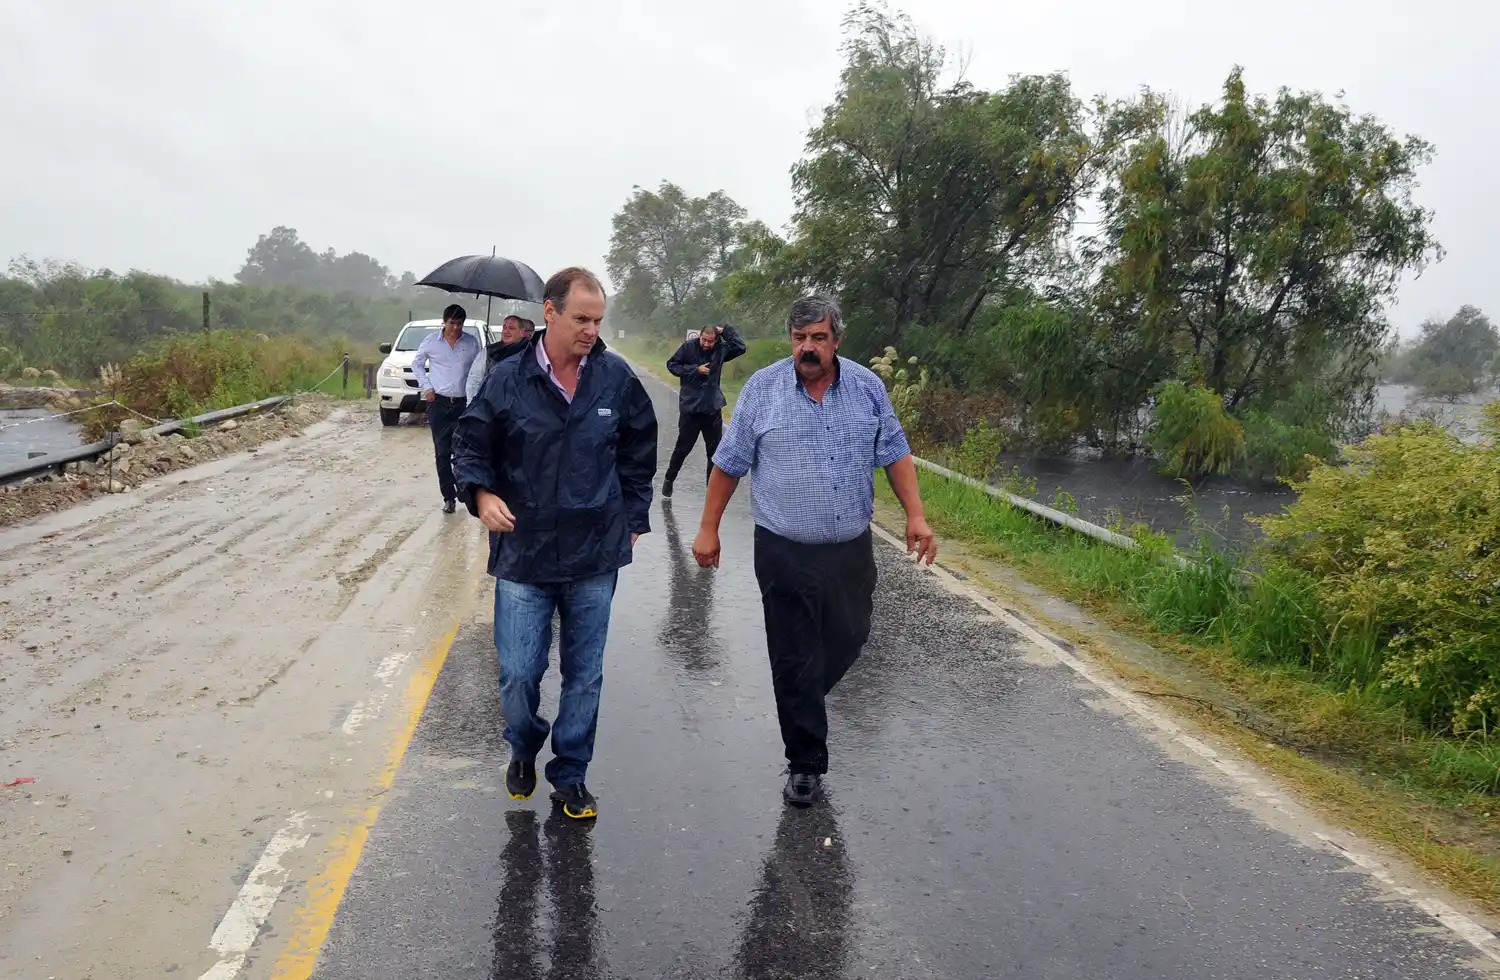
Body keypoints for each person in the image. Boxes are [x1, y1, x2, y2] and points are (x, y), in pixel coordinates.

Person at [692, 294, 938, 806]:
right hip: (783, 549)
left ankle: (801, 696)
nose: (808, 348)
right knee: (794, 653)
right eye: (799, 338)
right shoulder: (763, 389)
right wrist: (708, 529)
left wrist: (916, 515)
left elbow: (895, 452)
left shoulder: (868, 388)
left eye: (818, 339)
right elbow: (729, 463)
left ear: (837, 340)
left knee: (851, 635)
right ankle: (805, 763)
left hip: (850, 548)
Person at [453, 267, 657, 820]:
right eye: (581, 319)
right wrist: (480, 494)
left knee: (584, 672)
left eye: (598, 320)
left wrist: (634, 513)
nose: (592, 330)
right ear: (550, 311)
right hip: (525, 550)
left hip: (595, 551)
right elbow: (470, 441)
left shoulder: (615, 379)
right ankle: (523, 745)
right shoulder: (508, 378)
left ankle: (570, 776)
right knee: (519, 671)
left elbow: (640, 450)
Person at [411, 303, 482, 514]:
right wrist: (427, 386)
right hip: (439, 403)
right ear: (444, 322)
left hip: (463, 404)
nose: (455, 328)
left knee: (461, 450)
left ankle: (463, 486)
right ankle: (448, 496)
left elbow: (478, 370)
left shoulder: (471, 343)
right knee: (442, 452)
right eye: (452, 323)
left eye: (459, 323)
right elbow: (417, 363)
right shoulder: (431, 341)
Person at [662, 322, 746, 497]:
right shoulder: (687, 347)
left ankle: (711, 492)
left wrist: (726, 331)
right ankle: (669, 479)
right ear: (699, 336)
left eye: (711, 341)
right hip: (690, 407)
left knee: (714, 453)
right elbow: (672, 365)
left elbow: (740, 347)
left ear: (716, 339)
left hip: (712, 407)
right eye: (704, 340)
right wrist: (695, 370)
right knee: (683, 448)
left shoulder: (721, 349)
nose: (707, 344)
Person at [467, 315, 536, 402]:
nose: (506, 331)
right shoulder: (489, 352)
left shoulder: (530, 352)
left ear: (522, 332)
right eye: (504, 327)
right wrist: (471, 405)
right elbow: (474, 381)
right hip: (491, 405)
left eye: (511, 328)